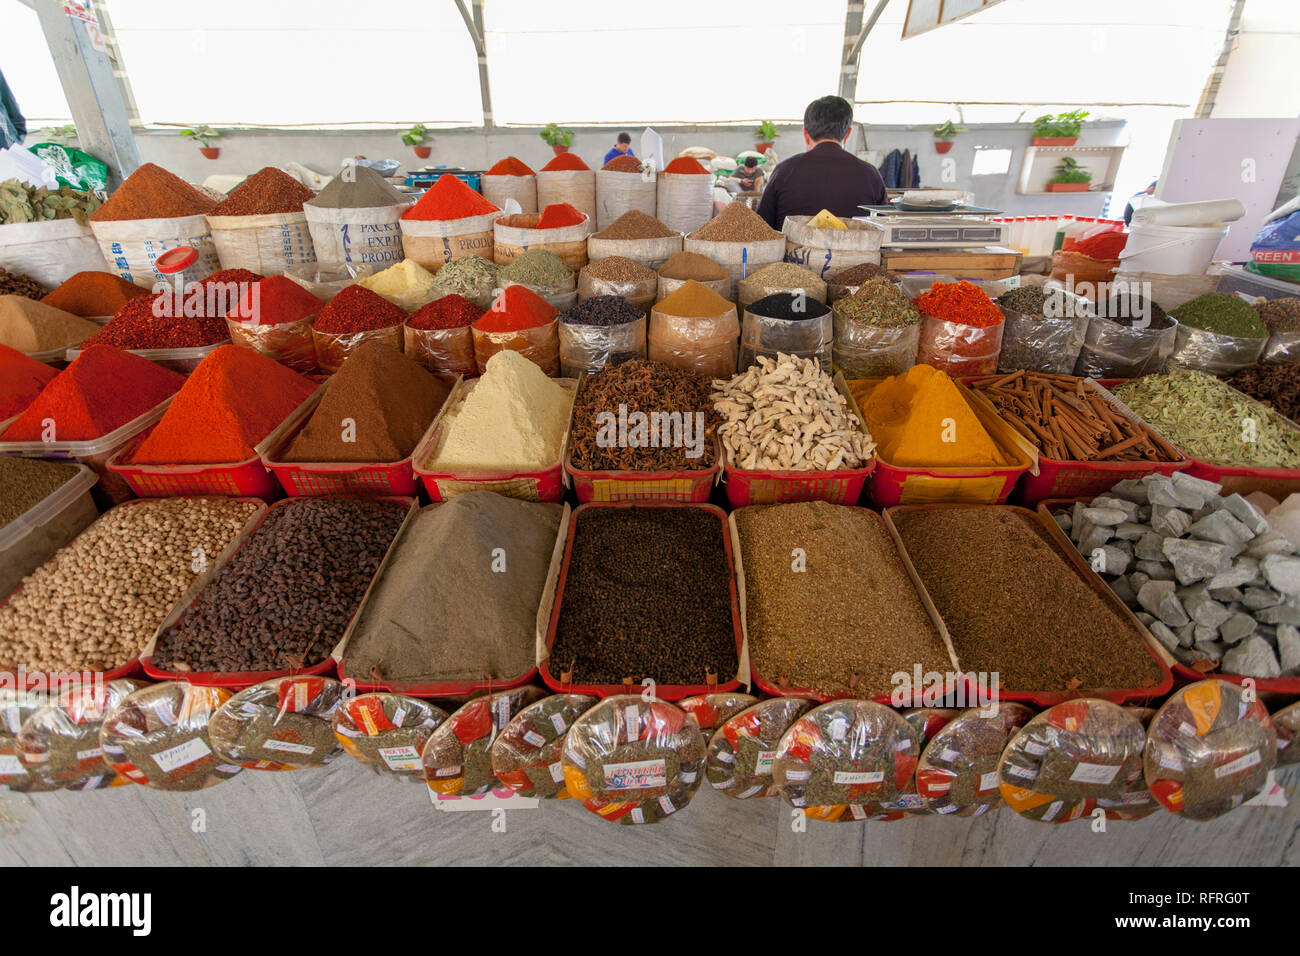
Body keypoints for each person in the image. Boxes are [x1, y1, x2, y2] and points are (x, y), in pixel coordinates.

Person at [757, 95, 886, 230]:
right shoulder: (871, 175)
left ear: (806, 134)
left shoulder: (784, 170)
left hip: (795, 251)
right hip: (855, 251)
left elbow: (761, 228)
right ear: (847, 134)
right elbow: (883, 228)